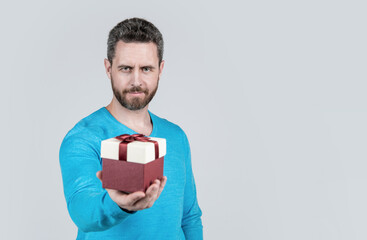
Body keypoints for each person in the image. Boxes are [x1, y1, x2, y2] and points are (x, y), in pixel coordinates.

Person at [59, 17, 203, 239]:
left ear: (160, 69)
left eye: (146, 68)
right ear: (109, 69)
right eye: (126, 68)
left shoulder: (176, 136)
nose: (136, 80)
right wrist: (120, 205)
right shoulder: (83, 137)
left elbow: (189, 217)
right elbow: (82, 211)